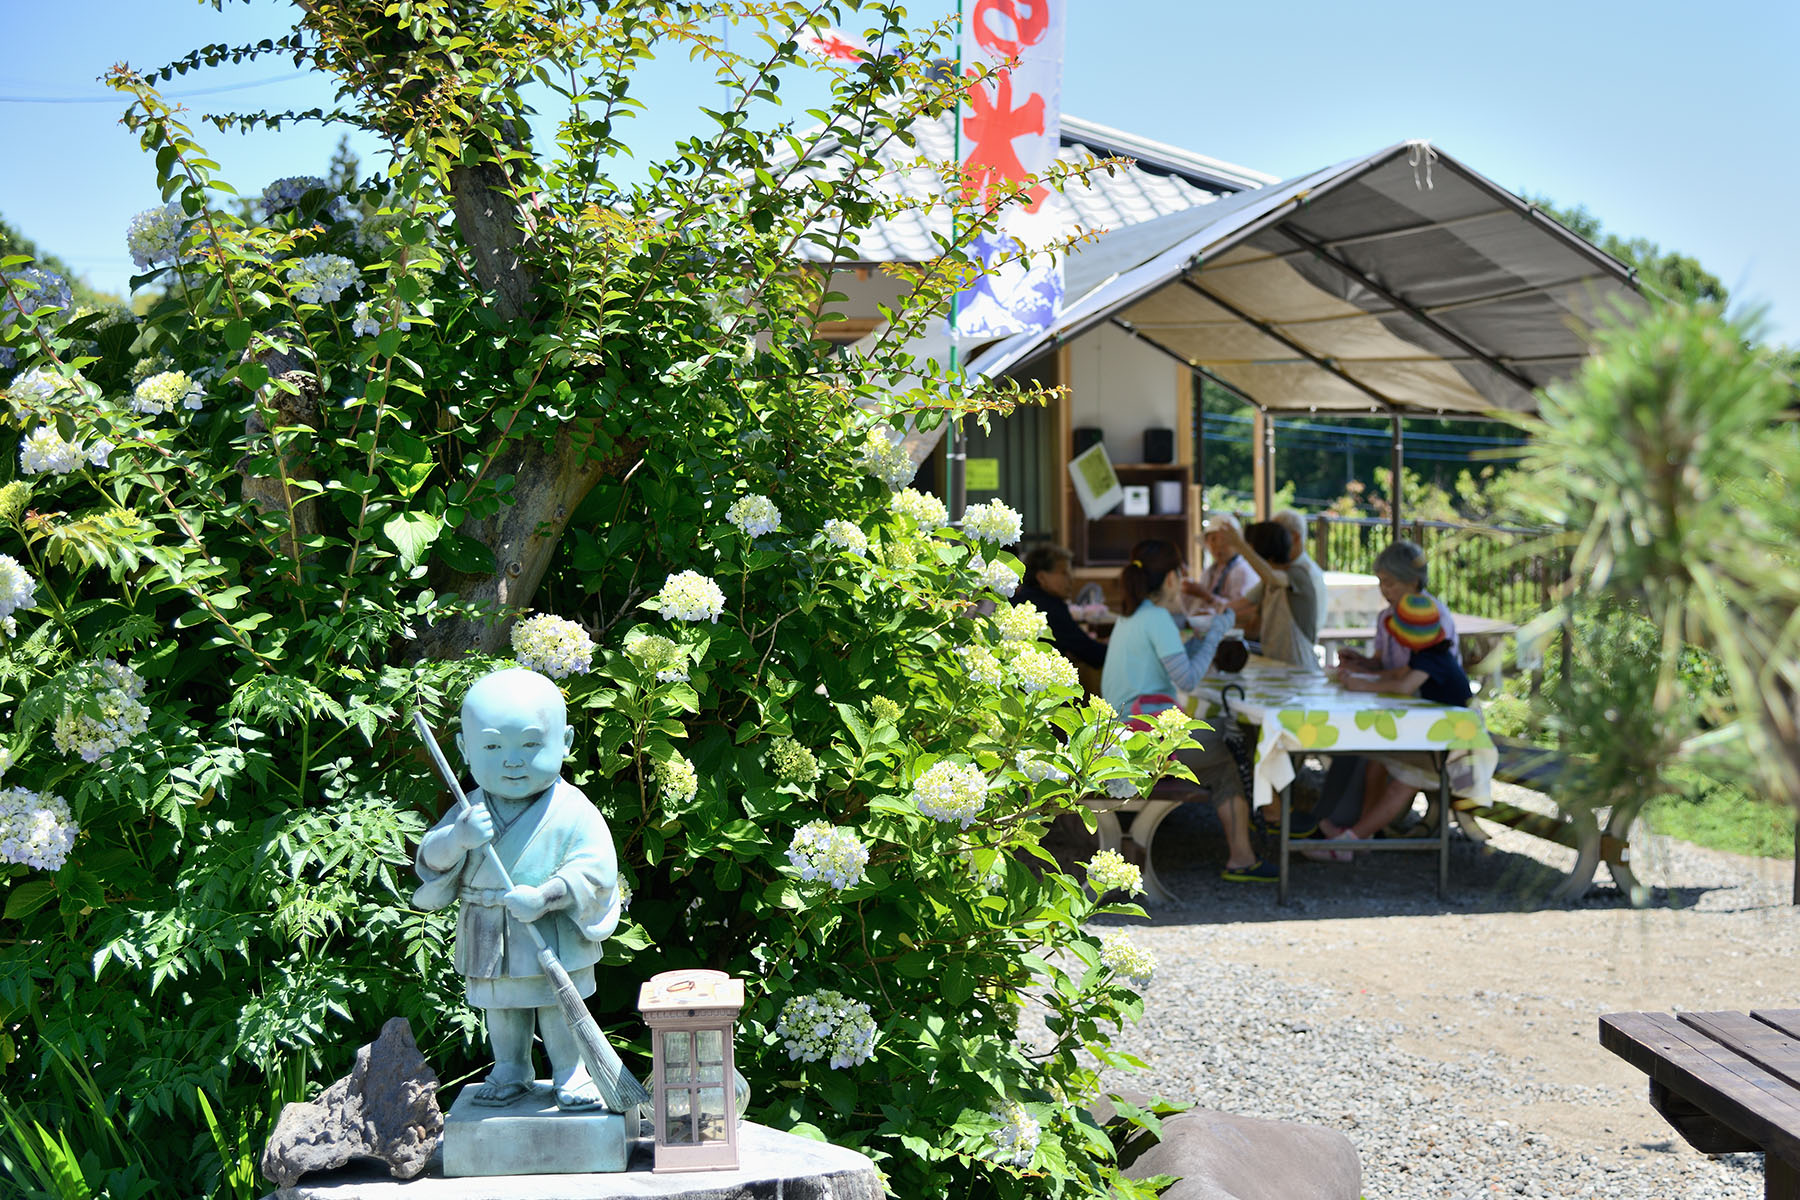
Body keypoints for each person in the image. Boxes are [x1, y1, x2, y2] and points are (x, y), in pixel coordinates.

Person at [414, 667, 625, 1109]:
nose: (512, 760)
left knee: (557, 1004)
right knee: (503, 1005)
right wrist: (458, 839)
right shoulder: (469, 810)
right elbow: (430, 861)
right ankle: (511, 1065)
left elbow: (596, 870)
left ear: (565, 742)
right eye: (492, 746)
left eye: (530, 744)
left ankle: (570, 1071)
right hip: (488, 924)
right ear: (464, 750)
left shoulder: (573, 810)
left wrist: (548, 895)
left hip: (550, 929)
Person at [1099, 538, 1277, 883]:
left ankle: (1244, 855)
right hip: (1145, 745)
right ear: (1170, 578)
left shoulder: (1133, 615)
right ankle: (1260, 836)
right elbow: (1189, 678)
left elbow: (1172, 666)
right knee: (1230, 744)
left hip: (1125, 735)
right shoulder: (1159, 618)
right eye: (1181, 574)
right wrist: (1217, 633)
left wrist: (1200, 636)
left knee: (1223, 751)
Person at [1307, 592, 1474, 860]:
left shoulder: (1433, 659)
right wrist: (1361, 670)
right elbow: (1397, 674)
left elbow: (1403, 686)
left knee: (1403, 781)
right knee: (1376, 760)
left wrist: (1362, 684)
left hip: (1451, 752)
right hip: (1434, 742)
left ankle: (1348, 844)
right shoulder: (1428, 653)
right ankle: (1364, 833)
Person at [1221, 521, 1321, 669]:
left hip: (1300, 667)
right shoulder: (1266, 584)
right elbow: (1253, 629)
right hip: (1273, 665)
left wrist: (1240, 546)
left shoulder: (1299, 574)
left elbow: (1272, 577)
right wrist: (1219, 625)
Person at [1015, 544, 1107, 670]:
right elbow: (1090, 652)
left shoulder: (1020, 598)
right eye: (1064, 573)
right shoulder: (1050, 607)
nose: (1070, 579)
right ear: (1042, 577)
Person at [1184, 513, 1257, 611]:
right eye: (1213, 539)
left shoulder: (1243, 572)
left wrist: (1206, 595)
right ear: (1207, 542)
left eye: (1224, 539)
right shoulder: (1210, 571)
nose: (1219, 545)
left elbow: (1240, 610)